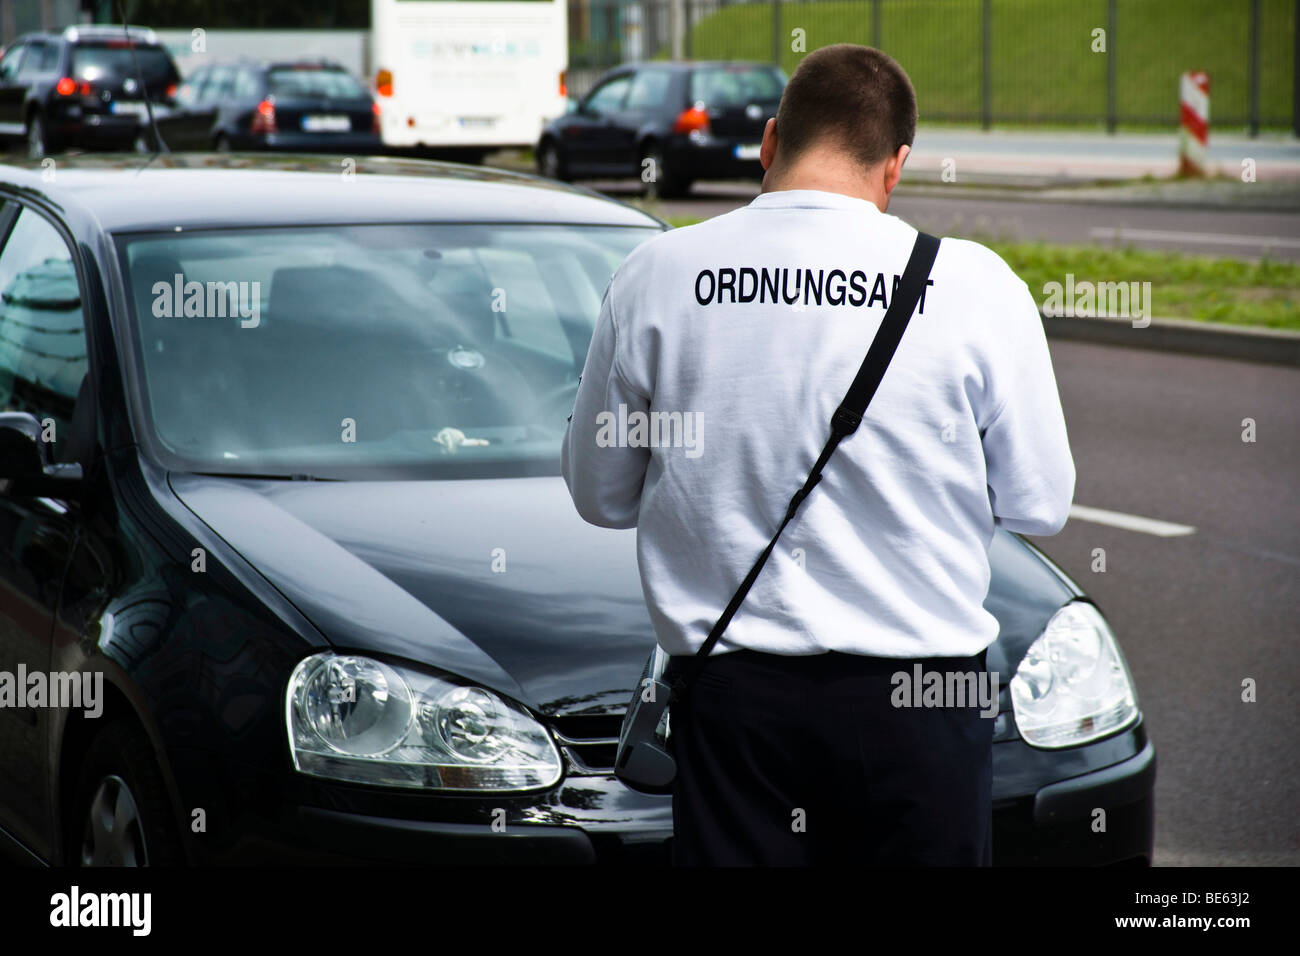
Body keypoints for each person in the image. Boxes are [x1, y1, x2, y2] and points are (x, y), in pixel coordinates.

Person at [560, 43, 1075, 866]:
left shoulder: (656, 274)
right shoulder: (978, 288)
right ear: (895, 165)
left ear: (770, 142)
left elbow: (600, 495)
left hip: (737, 704)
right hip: (926, 696)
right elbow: (1040, 502)